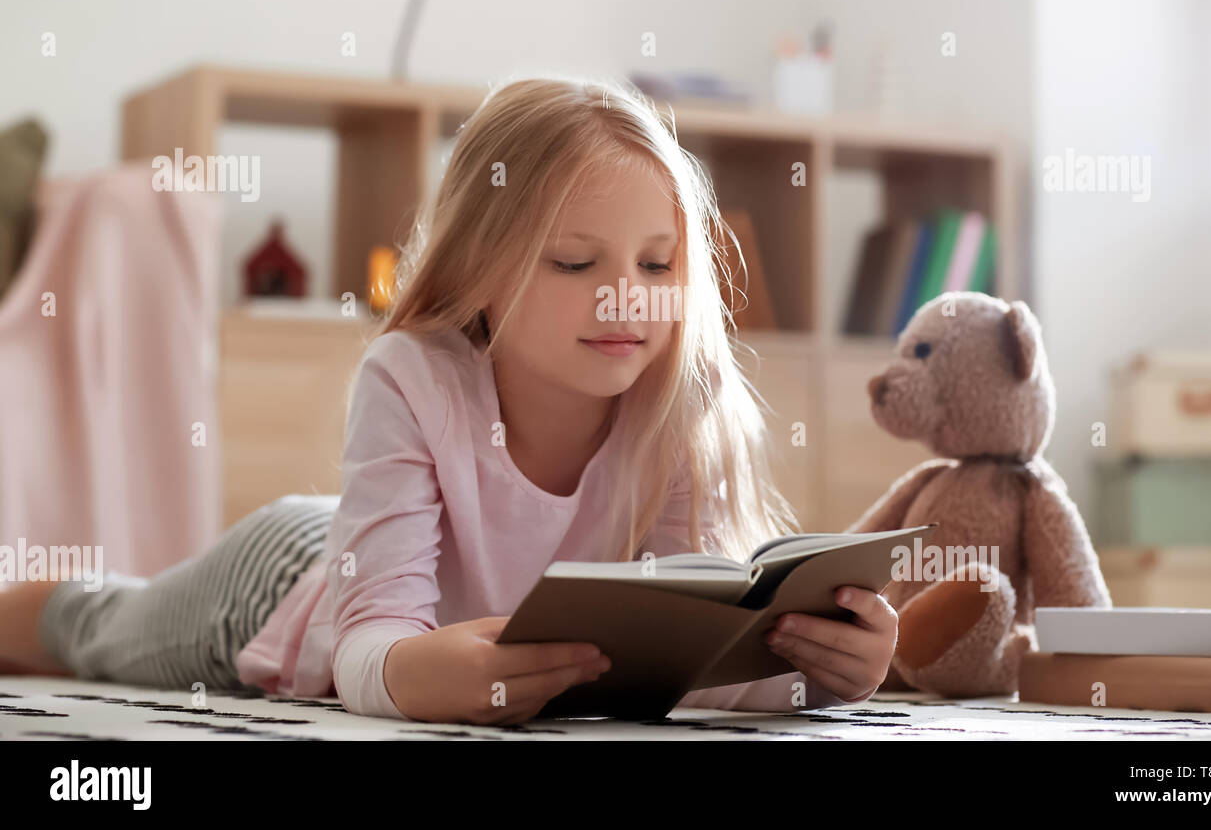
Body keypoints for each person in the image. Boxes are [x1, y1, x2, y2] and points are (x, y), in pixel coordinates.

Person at [1, 74, 899, 724]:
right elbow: (365, 649)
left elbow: (676, 660)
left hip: (378, 558)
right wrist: (413, 674)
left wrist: (814, 671)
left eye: (657, 264)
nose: (627, 296)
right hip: (286, 583)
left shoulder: (674, 398)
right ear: (481, 273)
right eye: (576, 263)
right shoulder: (412, 377)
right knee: (98, 624)